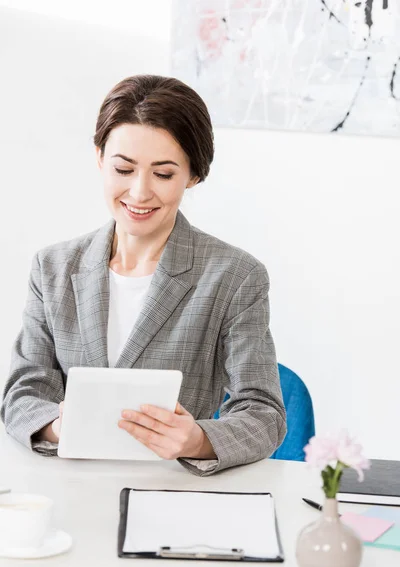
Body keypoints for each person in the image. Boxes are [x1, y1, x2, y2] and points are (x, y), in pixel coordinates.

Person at [1, 74, 286, 476]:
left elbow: (264, 413)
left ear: (193, 175)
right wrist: (57, 426)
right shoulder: (53, 268)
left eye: (164, 174)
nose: (138, 192)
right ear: (100, 158)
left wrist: (197, 439)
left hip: (172, 489)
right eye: (123, 168)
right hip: (66, 483)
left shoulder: (235, 277)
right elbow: (23, 392)